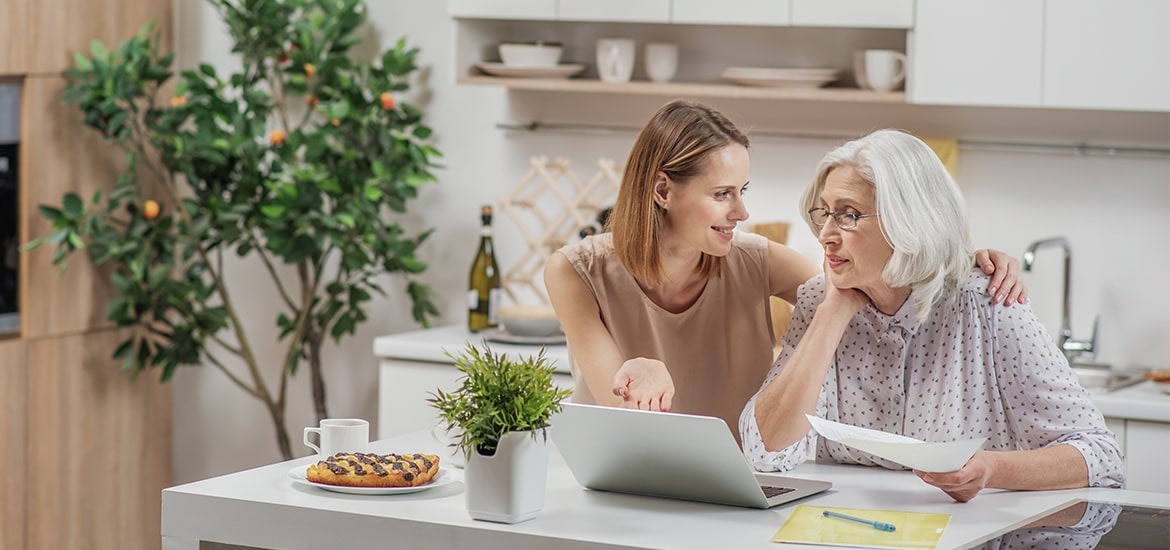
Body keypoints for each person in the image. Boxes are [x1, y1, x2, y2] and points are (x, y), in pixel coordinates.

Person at [544, 100, 1027, 439]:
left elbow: (876, 285)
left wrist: (962, 262)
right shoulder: (575, 272)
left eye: (743, 190)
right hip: (623, 485)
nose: (741, 212)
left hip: (739, 485)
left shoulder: (753, 260)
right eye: (722, 194)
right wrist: (639, 370)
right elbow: (619, 412)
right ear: (663, 191)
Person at [739, 129, 1124, 501]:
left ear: (908, 222)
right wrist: (831, 316)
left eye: (849, 215)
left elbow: (1099, 454)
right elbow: (766, 452)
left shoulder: (987, 305)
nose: (825, 234)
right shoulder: (819, 301)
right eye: (824, 213)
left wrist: (990, 469)